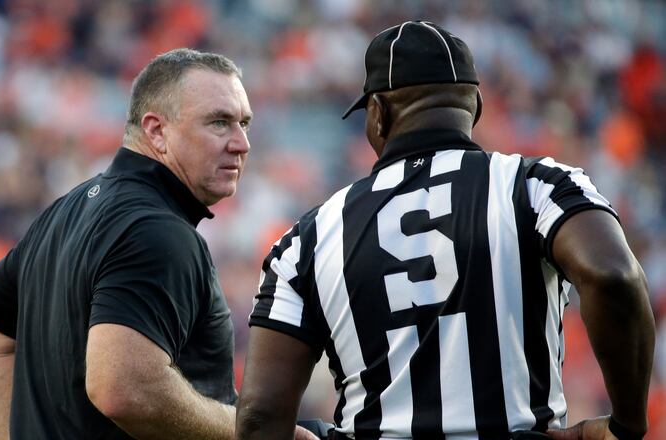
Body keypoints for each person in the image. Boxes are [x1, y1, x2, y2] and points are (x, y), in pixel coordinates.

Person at [236, 21, 655, 440]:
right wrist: (627, 424)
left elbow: (258, 417)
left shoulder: (307, 239)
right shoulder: (536, 186)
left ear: (378, 113)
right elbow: (613, 274)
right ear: (476, 106)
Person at [0, 48, 317, 440]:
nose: (242, 144)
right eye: (219, 123)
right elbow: (122, 389)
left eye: (244, 123)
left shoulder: (65, 211)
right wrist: (255, 433)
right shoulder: (157, 230)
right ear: (156, 131)